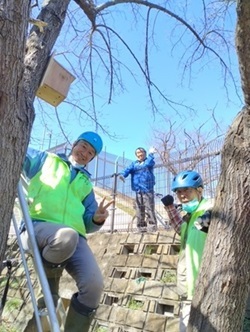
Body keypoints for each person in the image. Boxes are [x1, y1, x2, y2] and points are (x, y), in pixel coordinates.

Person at [20, 131, 113, 332]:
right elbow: (19, 153)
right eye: (83, 146)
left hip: (75, 237)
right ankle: (51, 291)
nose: (85, 153)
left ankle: (55, 312)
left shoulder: (86, 184)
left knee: (94, 286)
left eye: (90, 153)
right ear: (74, 144)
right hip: (37, 226)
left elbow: (88, 221)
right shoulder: (46, 159)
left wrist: (97, 217)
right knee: (65, 237)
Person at [161, 170, 212, 332]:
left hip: (207, 288)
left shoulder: (209, 209)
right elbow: (182, 229)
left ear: (200, 190)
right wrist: (170, 208)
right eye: (179, 192)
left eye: (187, 190)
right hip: (188, 290)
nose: (182, 195)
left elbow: (204, 225)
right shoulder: (189, 218)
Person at [119, 147, 157, 231]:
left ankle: (152, 226)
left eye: (141, 152)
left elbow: (149, 163)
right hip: (138, 190)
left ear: (145, 153)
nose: (140, 154)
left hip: (148, 189)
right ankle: (141, 227)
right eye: (138, 153)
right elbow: (127, 169)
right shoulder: (134, 164)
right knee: (139, 209)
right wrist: (122, 175)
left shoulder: (148, 161)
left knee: (149, 208)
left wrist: (151, 154)